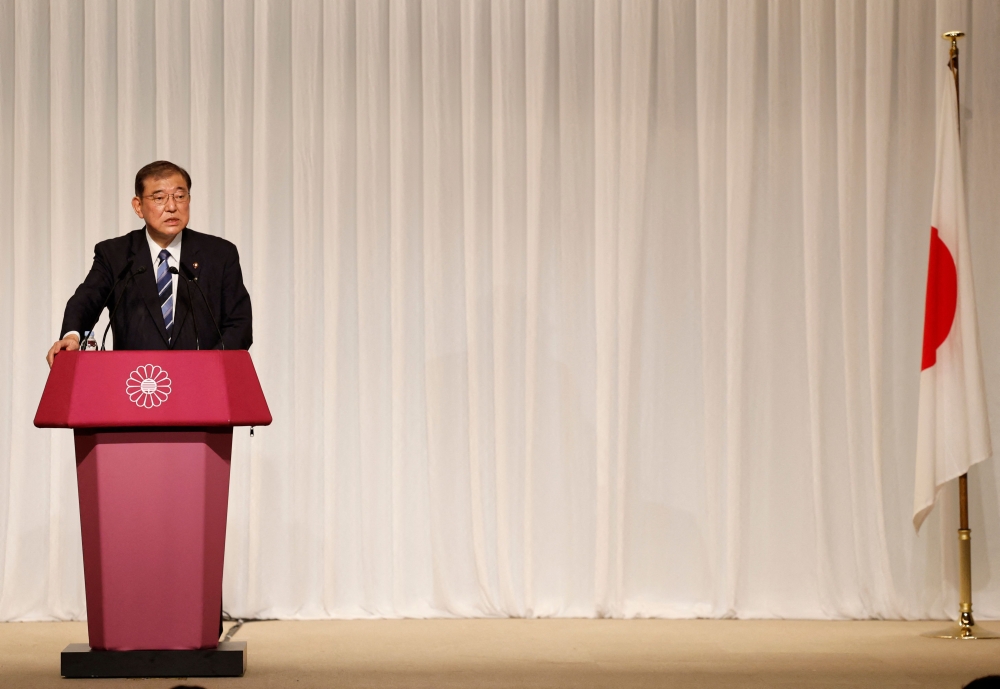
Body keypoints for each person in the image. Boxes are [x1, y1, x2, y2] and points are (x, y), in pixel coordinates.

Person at [46, 160, 252, 367]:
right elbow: (86, 300)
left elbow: (239, 323)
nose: (172, 207)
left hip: (202, 381)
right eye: (160, 198)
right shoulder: (116, 254)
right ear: (138, 206)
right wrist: (72, 336)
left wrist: (210, 365)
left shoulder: (219, 254)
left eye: (180, 196)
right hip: (136, 383)